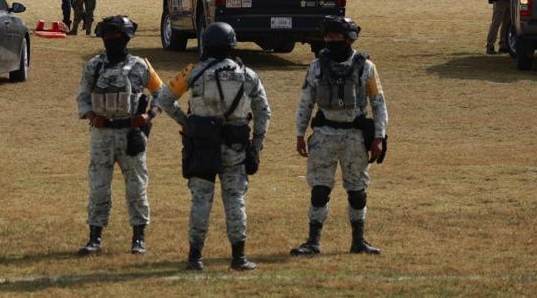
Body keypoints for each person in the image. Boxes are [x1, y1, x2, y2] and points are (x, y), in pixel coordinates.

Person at [156, 22, 271, 272]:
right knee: (235, 200)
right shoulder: (248, 74)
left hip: (202, 146)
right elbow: (264, 112)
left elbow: (164, 99)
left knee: (200, 200)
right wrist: (256, 146)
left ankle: (195, 258)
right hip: (235, 147)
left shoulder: (193, 72)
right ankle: (239, 258)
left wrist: (186, 123)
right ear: (232, 44)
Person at [290, 16, 388, 257]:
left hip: (355, 138)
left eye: (335, 36)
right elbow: (306, 101)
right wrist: (300, 133)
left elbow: (378, 104)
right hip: (324, 137)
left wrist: (379, 136)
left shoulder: (367, 67)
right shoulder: (316, 67)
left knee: (357, 191)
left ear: (349, 39)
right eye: (327, 36)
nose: (330, 41)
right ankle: (313, 241)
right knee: (319, 190)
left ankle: (359, 241)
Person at [76, 16, 163, 256]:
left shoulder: (141, 66)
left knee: (136, 187)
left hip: (130, 134)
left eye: (115, 36)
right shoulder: (94, 66)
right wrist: (91, 116)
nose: (111, 40)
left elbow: (161, 94)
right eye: (107, 36)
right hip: (102, 134)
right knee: (98, 186)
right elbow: (83, 96)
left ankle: (139, 237)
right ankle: (95, 237)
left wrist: (149, 115)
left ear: (126, 38)